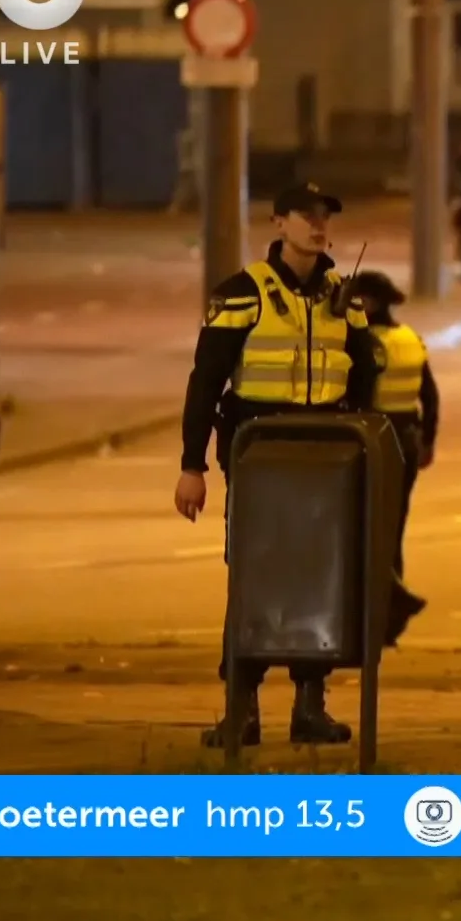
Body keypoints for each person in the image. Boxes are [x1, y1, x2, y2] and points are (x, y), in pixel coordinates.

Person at [173, 184, 383, 748]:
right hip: (258, 459)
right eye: (305, 216)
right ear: (278, 223)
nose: (317, 225)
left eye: (324, 216)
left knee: (319, 580)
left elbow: (366, 380)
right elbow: (204, 384)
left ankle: (309, 707)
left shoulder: (344, 297)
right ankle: (240, 709)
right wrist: (192, 466)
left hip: (327, 462)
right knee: (252, 578)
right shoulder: (243, 293)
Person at [347, 269, 437, 638]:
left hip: (375, 439)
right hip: (408, 439)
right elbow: (430, 395)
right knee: (392, 527)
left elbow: (360, 394)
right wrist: (429, 440)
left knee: (363, 528)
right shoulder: (409, 338)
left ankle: (388, 607)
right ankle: (389, 616)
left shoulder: (367, 343)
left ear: (369, 302)